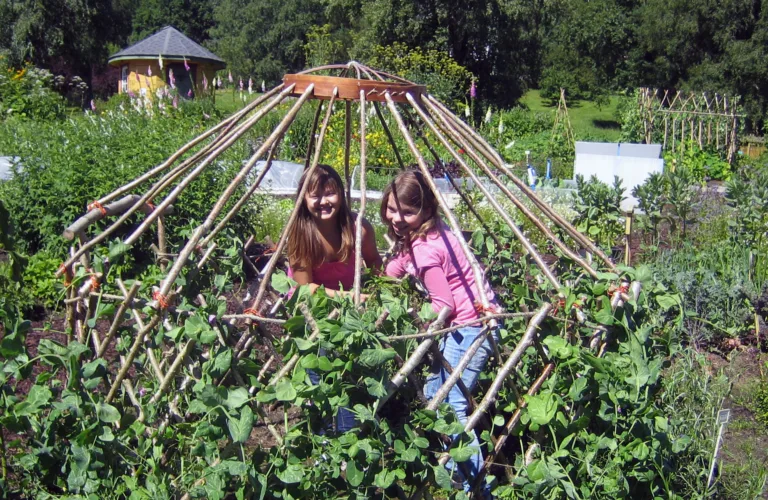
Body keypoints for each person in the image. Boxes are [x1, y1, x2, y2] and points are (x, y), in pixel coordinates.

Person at [380, 170, 500, 497]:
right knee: (437, 392)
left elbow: (443, 305)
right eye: (391, 209)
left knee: (450, 407)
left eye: (407, 211)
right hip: (476, 320)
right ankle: (456, 473)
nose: (396, 218)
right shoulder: (426, 236)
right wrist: (377, 279)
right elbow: (393, 270)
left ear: (427, 210)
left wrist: (410, 322)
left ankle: (477, 488)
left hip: (470, 325)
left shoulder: (426, 250)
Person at [286, 164, 382, 433]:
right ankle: (328, 436)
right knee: (322, 370)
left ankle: (349, 432)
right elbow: (305, 291)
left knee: (352, 373)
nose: (323, 201)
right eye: (314, 195)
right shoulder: (301, 234)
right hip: (313, 312)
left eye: (330, 193)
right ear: (303, 199)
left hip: (350, 308)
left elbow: (375, 261)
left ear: (341, 193)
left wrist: (377, 290)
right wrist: (350, 297)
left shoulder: (358, 229)